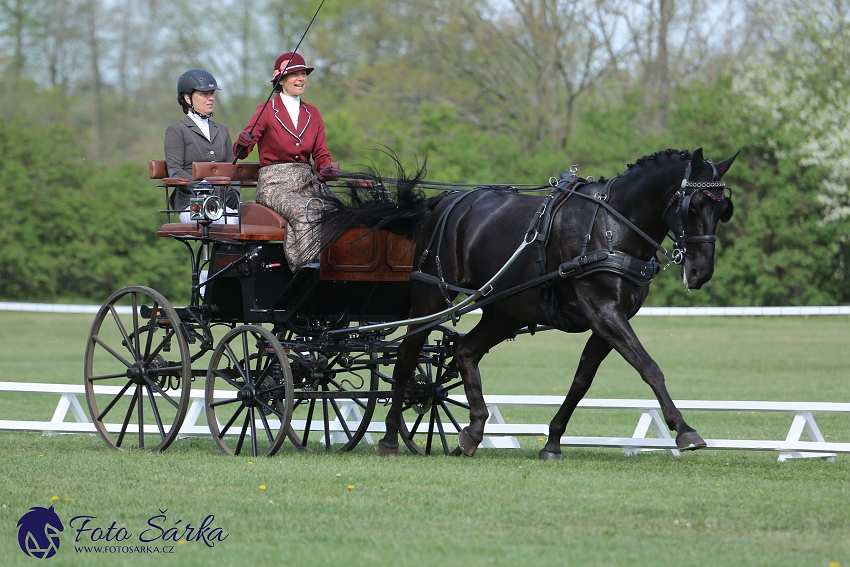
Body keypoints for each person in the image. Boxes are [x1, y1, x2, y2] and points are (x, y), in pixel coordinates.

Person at [233, 52, 333, 270]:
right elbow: (243, 150)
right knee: (305, 213)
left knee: (338, 212)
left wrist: (325, 167)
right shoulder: (267, 110)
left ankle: (335, 269)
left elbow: (321, 154)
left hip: (306, 183)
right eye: (294, 74)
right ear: (280, 80)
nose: (301, 78)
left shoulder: (313, 114)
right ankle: (305, 271)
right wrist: (243, 143)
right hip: (274, 185)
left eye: (304, 73)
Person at [164, 68, 239, 224]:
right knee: (228, 222)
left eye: (212, 94)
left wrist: (234, 192)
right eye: (204, 94)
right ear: (187, 98)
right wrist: (207, 190)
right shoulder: (176, 130)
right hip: (191, 204)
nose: (211, 98)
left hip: (222, 203)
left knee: (252, 218)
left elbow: (233, 168)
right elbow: (175, 170)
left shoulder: (222, 129)